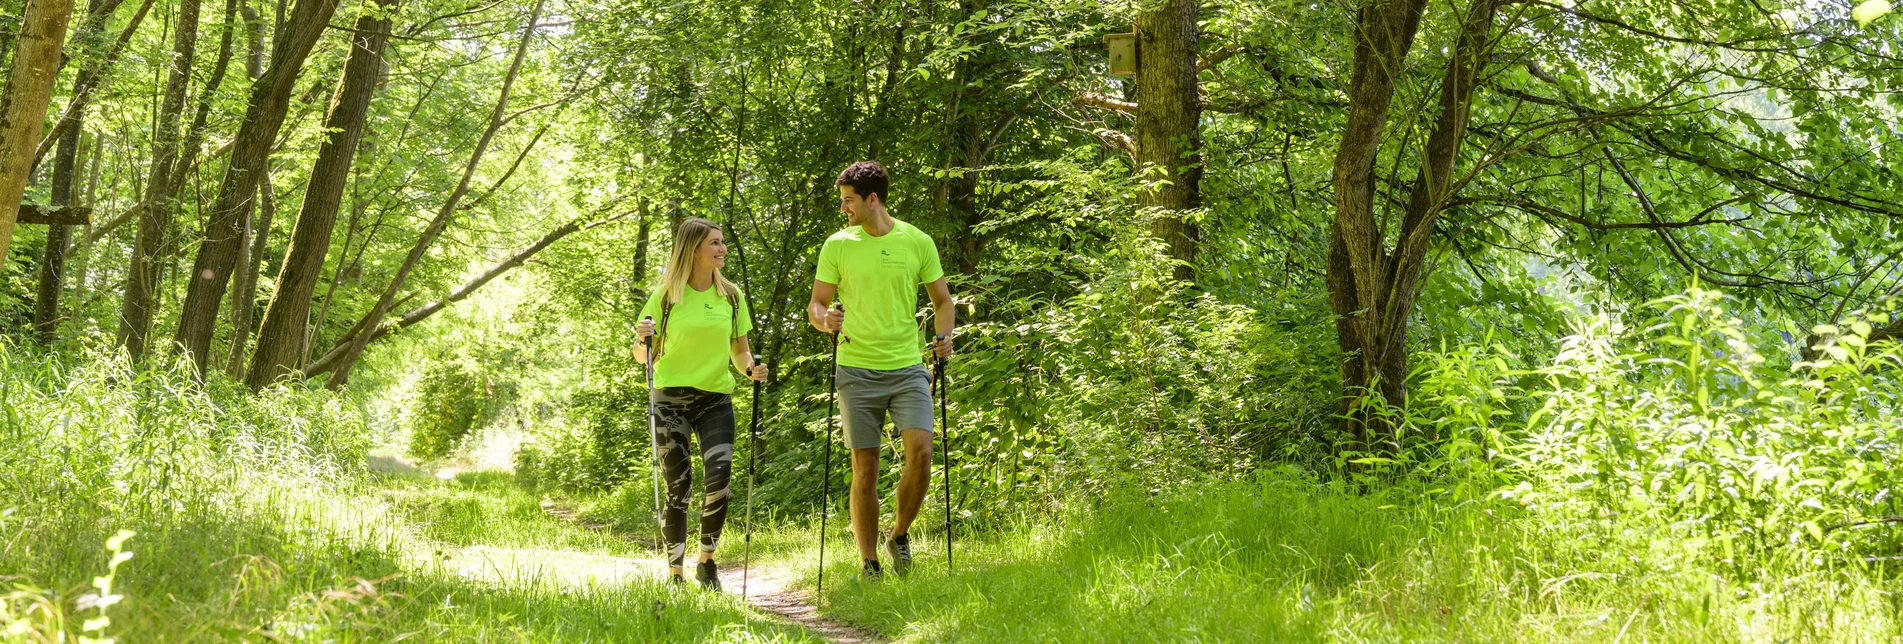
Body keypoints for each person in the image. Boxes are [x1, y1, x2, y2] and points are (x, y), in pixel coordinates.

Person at [808, 161, 955, 579]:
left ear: (873, 200)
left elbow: (943, 301)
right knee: (866, 466)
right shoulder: (838, 244)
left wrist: (944, 337)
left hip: (907, 365)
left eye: (849, 200)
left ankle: (900, 534)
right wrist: (824, 321)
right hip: (856, 367)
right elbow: (816, 304)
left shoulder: (917, 241)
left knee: (922, 454)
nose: (844, 208)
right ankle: (869, 561)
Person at [635, 217, 769, 589]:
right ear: (693, 249)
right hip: (669, 401)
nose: (722, 248)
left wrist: (751, 369)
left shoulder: (731, 295)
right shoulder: (666, 295)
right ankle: (675, 572)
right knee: (679, 487)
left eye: (722, 242)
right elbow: (642, 354)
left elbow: (740, 351)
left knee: (720, 480)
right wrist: (643, 338)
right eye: (715, 243)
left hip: (715, 400)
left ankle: (706, 562)